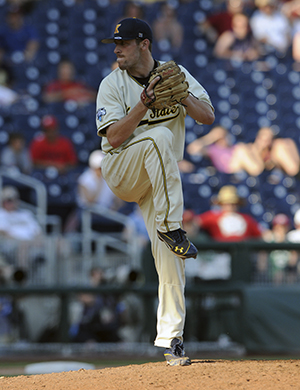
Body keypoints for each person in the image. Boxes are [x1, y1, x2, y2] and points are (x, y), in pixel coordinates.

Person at [97, 17, 215, 366]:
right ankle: (170, 227)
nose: (117, 48)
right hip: (122, 168)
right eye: (115, 43)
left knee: (171, 258)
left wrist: (184, 97)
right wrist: (143, 104)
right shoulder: (111, 84)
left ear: (144, 44)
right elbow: (114, 137)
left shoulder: (175, 72)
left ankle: (172, 338)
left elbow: (207, 115)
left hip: (157, 177)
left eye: (124, 42)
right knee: (161, 136)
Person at [65, 149, 126, 233]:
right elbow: (90, 202)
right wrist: (100, 183)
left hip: (106, 212)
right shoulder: (85, 179)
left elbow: (119, 201)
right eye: (98, 168)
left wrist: (115, 207)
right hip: (89, 212)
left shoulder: (110, 178)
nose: (100, 171)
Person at [186, 125, 266, 176]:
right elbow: (192, 149)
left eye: (224, 136)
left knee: (243, 147)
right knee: (241, 149)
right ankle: (257, 169)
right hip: (228, 170)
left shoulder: (233, 147)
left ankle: (259, 169)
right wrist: (211, 137)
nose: (223, 139)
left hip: (239, 168)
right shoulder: (214, 149)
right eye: (221, 138)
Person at [0, 185, 44, 271]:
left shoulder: (26, 214)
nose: (12, 202)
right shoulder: (1, 214)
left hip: (32, 242)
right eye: (8, 200)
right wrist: (22, 241)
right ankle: (23, 280)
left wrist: (37, 240)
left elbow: (38, 231)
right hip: (11, 244)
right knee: (24, 246)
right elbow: (3, 233)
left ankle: (66, 279)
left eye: (14, 199)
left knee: (59, 242)